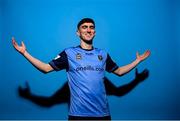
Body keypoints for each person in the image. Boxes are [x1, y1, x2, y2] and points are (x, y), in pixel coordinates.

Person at [12, 18, 150, 120]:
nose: (88, 30)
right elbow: (45, 68)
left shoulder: (102, 54)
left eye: (91, 27)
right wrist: (25, 53)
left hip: (103, 114)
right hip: (78, 115)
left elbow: (119, 72)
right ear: (78, 33)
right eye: (84, 27)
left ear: (95, 32)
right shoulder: (69, 53)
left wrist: (137, 61)